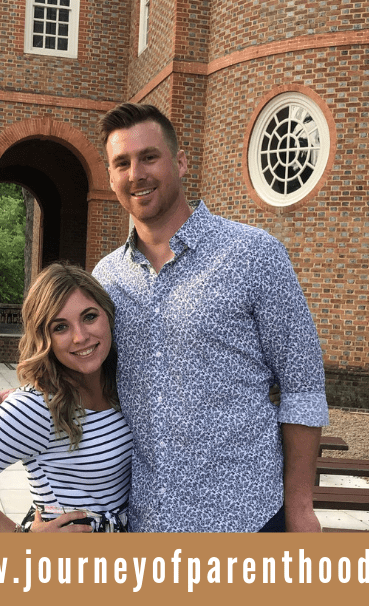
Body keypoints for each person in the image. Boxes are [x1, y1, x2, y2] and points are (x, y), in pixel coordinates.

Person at [93, 102, 328, 533]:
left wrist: (299, 504)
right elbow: (83, 370)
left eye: (149, 157)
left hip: (246, 518)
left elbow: (303, 386)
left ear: (180, 162)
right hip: (146, 524)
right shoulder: (106, 278)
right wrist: (22, 398)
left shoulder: (253, 254)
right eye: (121, 163)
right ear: (110, 178)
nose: (135, 174)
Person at [0, 263, 132, 533]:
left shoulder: (124, 386)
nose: (80, 337)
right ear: (43, 336)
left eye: (89, 317)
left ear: (108, 316)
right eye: (60, 327)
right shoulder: (35, 407)